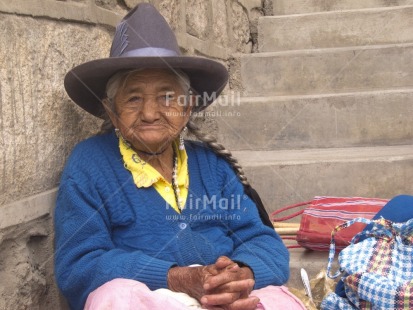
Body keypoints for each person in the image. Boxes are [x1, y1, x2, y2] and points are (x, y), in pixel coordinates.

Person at [54, 3, 305, 310]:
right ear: (112, 112)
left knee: (277, 301)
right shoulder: (90, 164)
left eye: (167, 97)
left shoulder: (212, 166)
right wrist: (177, 278)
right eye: (133, 98)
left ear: (187, 108)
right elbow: (79, 265)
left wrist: (238, 276)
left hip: (224, 298)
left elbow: (264, 242)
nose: (149, 113)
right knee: (114, 297)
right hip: (154, 298)